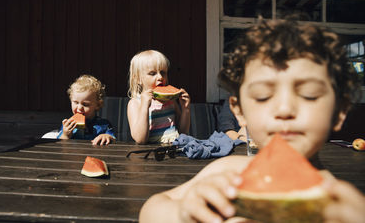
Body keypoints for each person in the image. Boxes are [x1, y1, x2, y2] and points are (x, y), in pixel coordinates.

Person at [139, 19, 365, 223]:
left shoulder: (348, 207)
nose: (284, 109)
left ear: (339, 112)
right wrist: (182, 214)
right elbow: (152, 207)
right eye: (263, 97)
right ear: (240, 112)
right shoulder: (227, 172)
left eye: (309, 95)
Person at [127, 50, 191, 144]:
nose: (160, 77)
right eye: (152, 73)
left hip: (174, 149)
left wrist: (185, 109)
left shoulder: (171, 101)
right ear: (137, 79)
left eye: (163, 72)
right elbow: (140, 139)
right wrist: (145, 106)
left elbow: (183, 132)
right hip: (150, 153)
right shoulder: (135, 103)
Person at [57, 74, 116, 145]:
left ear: (97, 105)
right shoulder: (67, 124)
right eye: (76, 102)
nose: (79, 108)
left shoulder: (104, 124)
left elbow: (113, 139)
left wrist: (107, 136)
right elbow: (60, 144)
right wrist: (65, 135)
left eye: (85, 104)